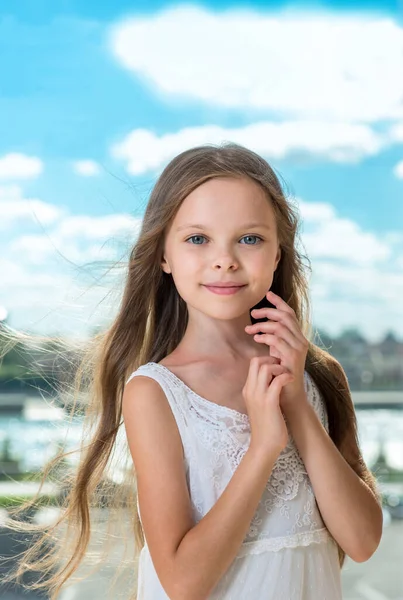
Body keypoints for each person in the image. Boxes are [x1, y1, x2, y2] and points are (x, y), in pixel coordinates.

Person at [2, 143, 383, 600]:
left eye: (250, 238)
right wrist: (263, 447)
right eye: (198, 239)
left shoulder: (320, 377)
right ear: (164, 255)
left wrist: (295, 403)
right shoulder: (156, 392)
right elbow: (183, 582)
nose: (224, 260)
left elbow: (362, 542)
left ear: (278, 254)